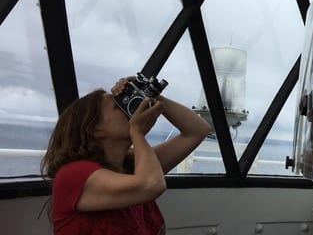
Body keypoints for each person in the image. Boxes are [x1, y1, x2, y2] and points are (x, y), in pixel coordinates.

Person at [40, 77, 211, 235]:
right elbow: (150, 186)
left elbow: (197, 131)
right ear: (95, 129)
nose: (128, 109)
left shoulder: (132, 167)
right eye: (117, 105)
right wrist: (137, 132)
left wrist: (151, 96)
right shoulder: (74, 174)